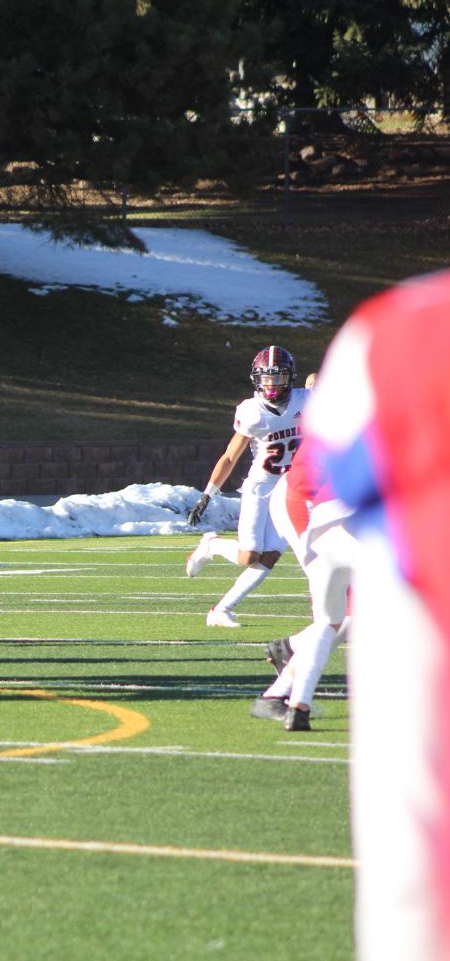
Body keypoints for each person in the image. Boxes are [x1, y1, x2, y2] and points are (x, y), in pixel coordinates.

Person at [305, 271, 450, 961]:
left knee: (412, 899)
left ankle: (290, 694)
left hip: (420, 594)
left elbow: (337, 461)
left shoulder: (399, 326)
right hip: (382, 561)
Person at [183, 346, 310, 627]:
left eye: (278, 377)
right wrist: (207, 495)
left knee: (270, 556)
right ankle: (212, 545)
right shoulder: (252, 412)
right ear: (257, 380)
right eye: (266, 378)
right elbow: (230, 456)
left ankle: (221, 610)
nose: (272, 384)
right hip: (261, 488)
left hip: (290, 490)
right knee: (248, 555)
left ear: (290, 378)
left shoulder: (307, 401)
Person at [249, 434, 354, 732]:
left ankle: (289, 659)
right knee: (345, 612)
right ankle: (280, 689)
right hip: (306, 502)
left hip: (333, 506)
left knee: (345, 615)